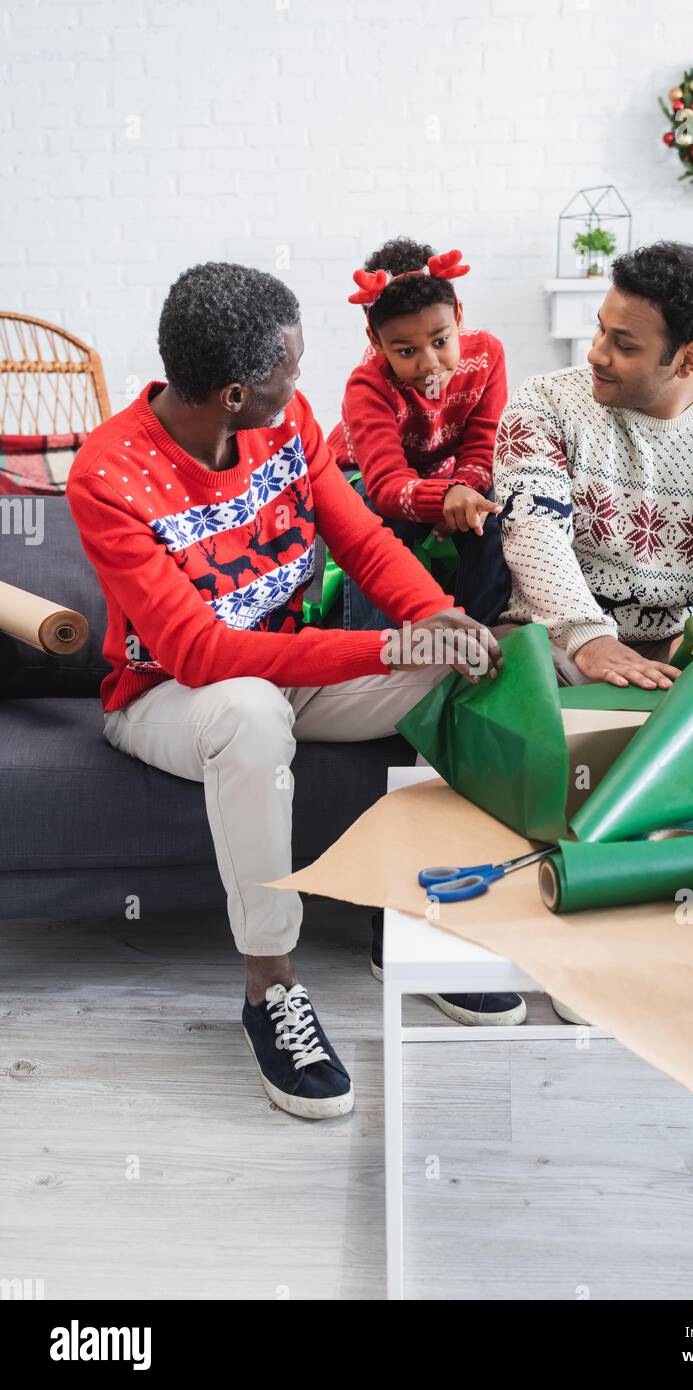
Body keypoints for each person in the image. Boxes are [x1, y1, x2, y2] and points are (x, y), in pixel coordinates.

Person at [66, 262, 526, 1124]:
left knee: (465, 662)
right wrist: (385, 645)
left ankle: (415, 926)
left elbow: (363, 542)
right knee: (247, 710)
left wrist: (434, 617)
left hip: (290, 671)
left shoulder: (288, 426)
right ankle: (268, 987)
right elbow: (199, 652)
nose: (301, 380)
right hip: (170, 697)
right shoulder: (108, 474)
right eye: (289, 368)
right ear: (237, 392)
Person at [493, 241, 693, 692]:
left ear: (688, 359)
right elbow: (533, 535)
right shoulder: (545, 404)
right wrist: (591, 639)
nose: (596, 354)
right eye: (600, 331)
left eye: (623, 344)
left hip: (684, 651)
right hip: (553, 642)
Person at [327, 237, 511, 630]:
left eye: (441, 341)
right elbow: (386, 484)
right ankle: (375, 647)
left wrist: (462, 494)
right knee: (375, 517)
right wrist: (444, 498)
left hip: (441, 475)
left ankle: (480, 635)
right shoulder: (367, 385)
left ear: (458, 315)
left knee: (492, 508)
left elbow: (482, 448)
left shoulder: (488, 355)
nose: (430, 364)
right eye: (406, 351)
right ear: (376, 341)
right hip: (363, 477)